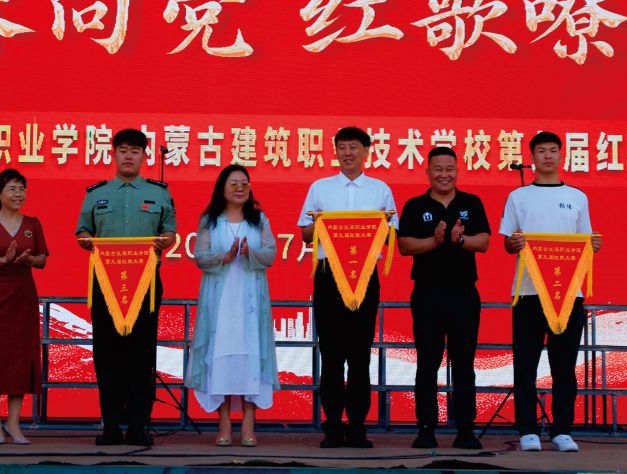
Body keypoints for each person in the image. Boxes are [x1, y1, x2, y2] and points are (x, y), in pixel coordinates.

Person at [499, 131, 602, 453]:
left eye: (553, 150)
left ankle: (562, 430)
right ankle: (527, 429)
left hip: (568, 293)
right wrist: (514, 243)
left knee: (564, 366)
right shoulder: (519, 196)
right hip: (528, 292)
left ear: (561, 156)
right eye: (541, 151)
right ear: (532, 157)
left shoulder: (577, 196)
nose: (547, 156)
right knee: (525, 364)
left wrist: (594, 245)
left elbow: (584, 242)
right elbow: (507, 242)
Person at [75, 128, 176, 447]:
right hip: (105, 283)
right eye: (123, 150)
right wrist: (86, 241)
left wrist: (165, 242)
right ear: (114, 154)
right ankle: (110, 425)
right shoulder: (96, 193)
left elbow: (170, 232)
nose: (128, 156)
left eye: (135, 151)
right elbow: (82, 232)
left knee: (141, 355)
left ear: (144, 156)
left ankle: (137, 425)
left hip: (145, 284)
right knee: (107, 355)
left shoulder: (159, 193)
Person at [298, 127, 398, 448]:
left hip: (364, 276)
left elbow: (391, 236)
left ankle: (357, 426)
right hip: (329, 276)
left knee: (359, 356)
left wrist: (380, 225)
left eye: (354, 147)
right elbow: (305, 235)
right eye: (342, 147)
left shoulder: (380, 189)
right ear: (335, 151)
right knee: (331, 355)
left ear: (367, 151)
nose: (347, 153)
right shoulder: (320, 187)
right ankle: (332, 427)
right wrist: (320, 223)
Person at [398, 146, 490, 450]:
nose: (444, 175)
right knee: (427, 362)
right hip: (428, 293)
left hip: (464, 294)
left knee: (464, 363)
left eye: (449, 169)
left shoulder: (471, 203)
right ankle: (426, 428)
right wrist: (435, 241)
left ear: (457, 171)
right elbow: (404, 245)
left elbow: (484, 241)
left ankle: (466, 430)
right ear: (427, 172)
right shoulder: (415, 205)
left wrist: (459, 240)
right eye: (438, 169)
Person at [186, 165, 279, 447]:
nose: (240, 188)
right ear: (222, 188)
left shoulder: (258, 220)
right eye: (234, 183)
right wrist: (224, 258)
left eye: (244, 183)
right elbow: (200, 256)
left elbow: (270, 254)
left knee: (251, 358)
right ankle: (224, 423)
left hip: (250, 301)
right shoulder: (210, 221)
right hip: (220, 302)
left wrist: (250, 253)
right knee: (221, 358)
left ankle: (249, 423)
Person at [0, 168, 49, 445]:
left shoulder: (33, 223)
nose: (19, 194)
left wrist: (30, 261)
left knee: (20, 357)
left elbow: (42, 259)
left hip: (23, 295)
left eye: (22, 189)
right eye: (12, 189)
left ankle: (14, 423)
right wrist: (4, 260)